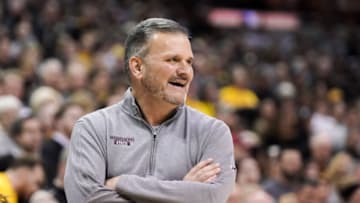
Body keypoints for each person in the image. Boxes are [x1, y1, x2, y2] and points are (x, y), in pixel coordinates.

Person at [64, 18, 236, 203]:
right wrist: (183, 191)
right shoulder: (93, 128)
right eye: (173, 60)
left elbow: (212, 196)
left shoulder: (212, 132)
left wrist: (124, 183)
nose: (186, 71)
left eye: (189, 62)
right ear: (138, 67)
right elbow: (87, 200)